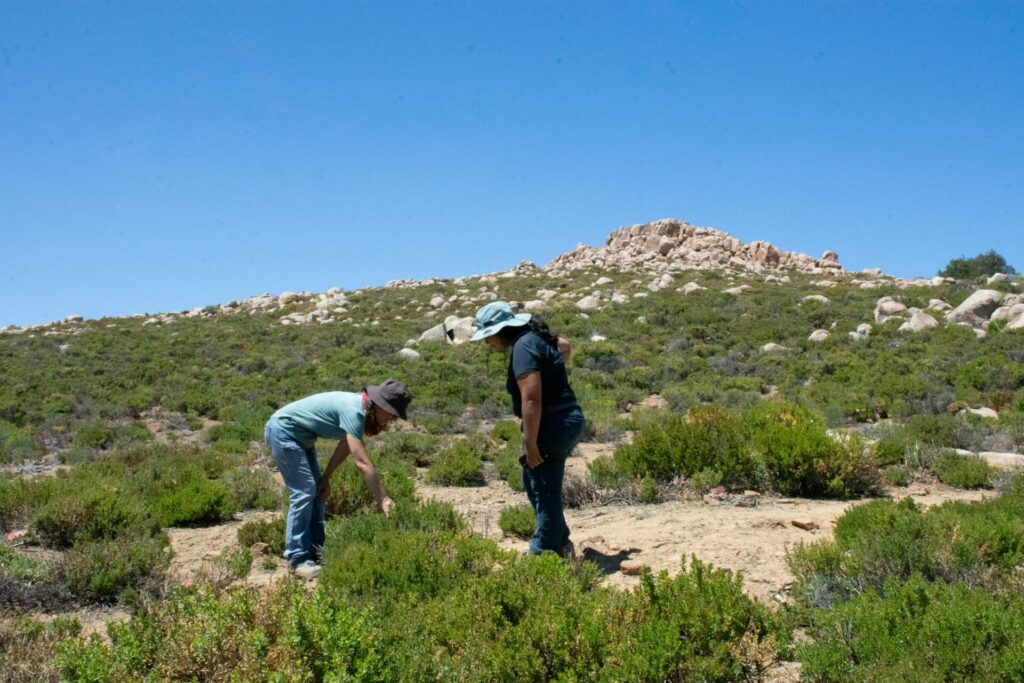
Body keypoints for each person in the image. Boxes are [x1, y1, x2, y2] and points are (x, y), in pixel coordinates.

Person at [264, 379, 412, 579]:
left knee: (318, 493)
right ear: (379, 405)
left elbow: (346, 445)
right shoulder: (355, 411)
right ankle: (297, 560)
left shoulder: (361, 411)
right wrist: (383, 499)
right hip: (283, 432)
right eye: (391, 416)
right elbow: (362, 462)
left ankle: (317, 554)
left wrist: (325, 478)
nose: (389, 422)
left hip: (302, 440)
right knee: (304, 492)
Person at [471, 301, 585, 557]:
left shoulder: (523, 346)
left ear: (502, 330)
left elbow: (532, 398)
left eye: (488, 336)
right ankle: (561, 542)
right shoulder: (535, 339)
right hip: (569, 417)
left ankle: (544, 552)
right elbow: (565, 345)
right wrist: (552, 369)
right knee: (535, 483)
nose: (487, 343)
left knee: (544, 489)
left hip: (552, 423)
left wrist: (530, 443)